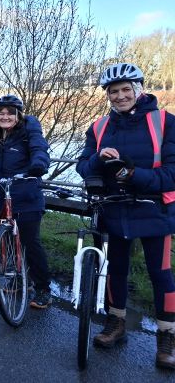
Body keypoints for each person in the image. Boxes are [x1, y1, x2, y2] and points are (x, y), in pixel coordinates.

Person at [76, 62, 175, 370]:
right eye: (113, 91)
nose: (119, 96)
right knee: (115, 270)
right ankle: (116, 323)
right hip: (114, 208)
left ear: (138, 89)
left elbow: (172, 174)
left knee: (160, 274)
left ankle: (167, 336)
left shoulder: (165, 122)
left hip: (153, 209)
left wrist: (134, 174)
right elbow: (82, 167)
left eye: (125, 90)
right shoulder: (99, 127)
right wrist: (97, 159)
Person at [0, 94, 52, 308]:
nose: (5, 116)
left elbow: (39, 149)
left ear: (18, 115)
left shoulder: (28, 132)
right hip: (2, 196)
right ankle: (19, 279)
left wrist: (39, 164)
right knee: (9, 241)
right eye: (1, 113)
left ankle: (43, 289)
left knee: (30, 242)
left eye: (10, 113)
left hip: (26, 195)